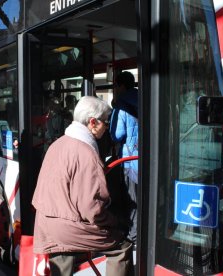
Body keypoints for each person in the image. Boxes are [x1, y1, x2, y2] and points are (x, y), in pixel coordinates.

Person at [32, 96, 133, 276]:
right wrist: (114, 222)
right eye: (106, 122)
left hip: (45, 224)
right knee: (121, 247)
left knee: (61, 265)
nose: (107, 127)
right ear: (92, 122)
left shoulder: (58, 144)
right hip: (67, 228)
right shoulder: (86, 152)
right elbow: (91, 208)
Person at [109, 71, 139, 250]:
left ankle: (134, 235)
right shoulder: (145, 97)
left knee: (131, 198)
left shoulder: (121, 104)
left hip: (130, 160)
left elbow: (116, 134)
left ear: (120, 86)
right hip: (147, 157)